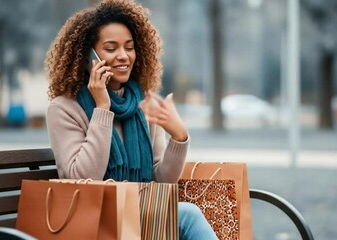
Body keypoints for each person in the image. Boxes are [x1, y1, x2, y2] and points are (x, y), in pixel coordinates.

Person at [45, 0, 218, 239]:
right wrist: (102, 107)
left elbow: (161, 182)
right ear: (89, 57)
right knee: (188, 215)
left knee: (185, 215)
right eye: (111, 48)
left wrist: (179, 136)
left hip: (139, 214)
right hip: (93, 220)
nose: (123, 56)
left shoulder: (144, 104)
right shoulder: (64, 109)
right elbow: (82, 179)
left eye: (129, 47)